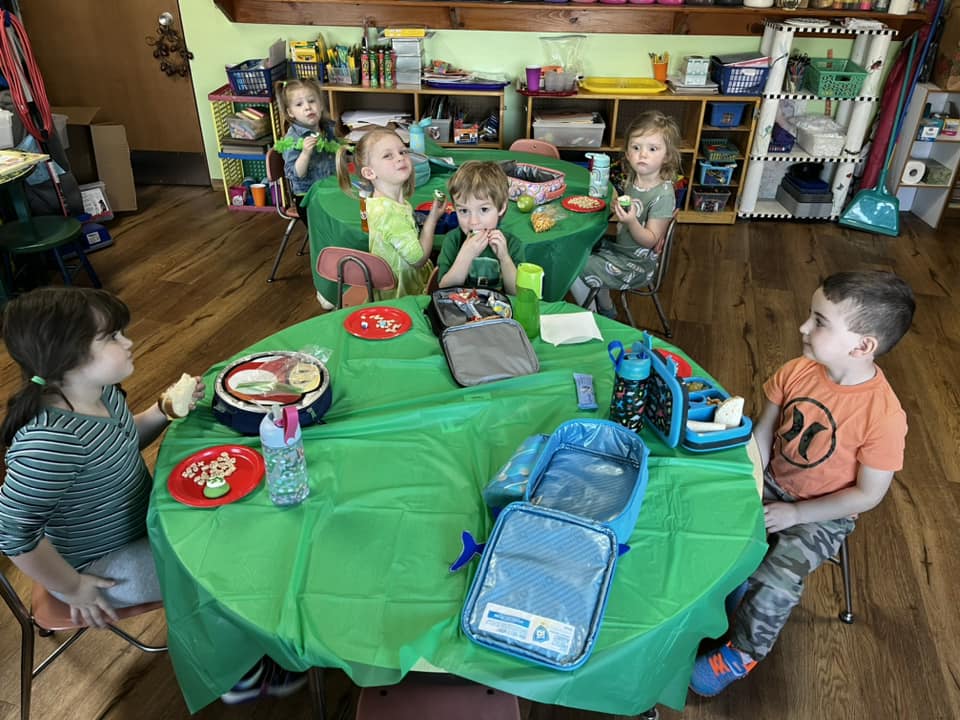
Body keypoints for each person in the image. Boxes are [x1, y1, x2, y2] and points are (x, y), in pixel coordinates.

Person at [689, 271, 916, 696]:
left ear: (863, 345)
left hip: (822, 514)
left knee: (775, 582)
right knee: (708, 519)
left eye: (819, 321)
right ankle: (722, 592)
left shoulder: (884, 418)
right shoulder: (798, 369)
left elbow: (869, 494)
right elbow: (763, 431)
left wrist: (796, 513)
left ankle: (742, 654)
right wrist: (750, 482)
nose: (802, 327)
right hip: (772, 479)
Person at [0, 287, 204, 627]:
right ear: (65, 356)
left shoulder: (102, 392)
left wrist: (161, 412)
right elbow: (12, 532)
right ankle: (244, 677)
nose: (128, 342)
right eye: (111, 337)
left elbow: (119, 443)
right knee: (214, 570)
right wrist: (72, 586)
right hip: (99, 563)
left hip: (142, 523)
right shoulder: (50, 442)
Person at [569, 111, 680, 318]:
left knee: (572, 264)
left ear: (667, 156)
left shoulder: (663, 195)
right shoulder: (634, 180)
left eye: (652, 149)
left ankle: (591, 317)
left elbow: (650, 240)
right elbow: (631, 211)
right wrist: (617, 208)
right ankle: (606, 308)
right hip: (620, 249)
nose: (642, 154)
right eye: (636, 148)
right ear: (628, 153)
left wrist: (630, 221)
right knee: (578, 248)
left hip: (636, 265)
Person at [335, 127, 442, 298]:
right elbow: (418, 259)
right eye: (388, 155)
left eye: (402, 151)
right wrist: (432, 220)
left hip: (404, 288)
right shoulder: (388, 213)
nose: (400, 157)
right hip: (403, 299)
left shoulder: (386, 203)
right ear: (370, 172)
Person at [437, 160, 523, 294]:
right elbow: (444, 288)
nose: (473, 221)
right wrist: (465, 256)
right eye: (464, 211)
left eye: (483, 209)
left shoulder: (512, 244)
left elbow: (516, 293)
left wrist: (504, 258)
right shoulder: (453, 240)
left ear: (501, 207)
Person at [276, 78, 339, 217]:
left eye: (311, 101)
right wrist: (305, 154)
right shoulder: (293, 139)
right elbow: (296, 174)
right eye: (299, 104)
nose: (307, 107)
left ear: (321, 105)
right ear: (291, 112)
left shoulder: (327, 128)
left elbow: (336, 154)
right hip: (308, 197)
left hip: (330, 189)